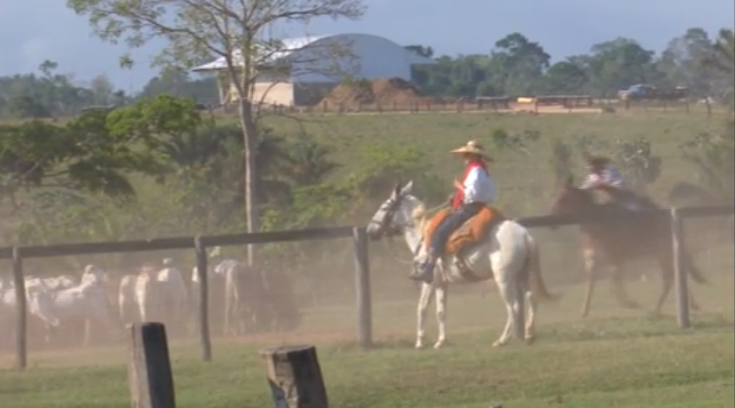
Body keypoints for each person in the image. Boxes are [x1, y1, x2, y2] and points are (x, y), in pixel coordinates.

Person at [411, 140, 496, 283]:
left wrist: (459, 187)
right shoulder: (483, 170)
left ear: (474, 156)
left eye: (467, 155)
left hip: (470, 208)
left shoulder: (476, 171)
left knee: (440, 231)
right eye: (465, 155)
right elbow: (489, 193)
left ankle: (430, 268)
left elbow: (472, 194)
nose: (465, 158)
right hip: (478, 206)